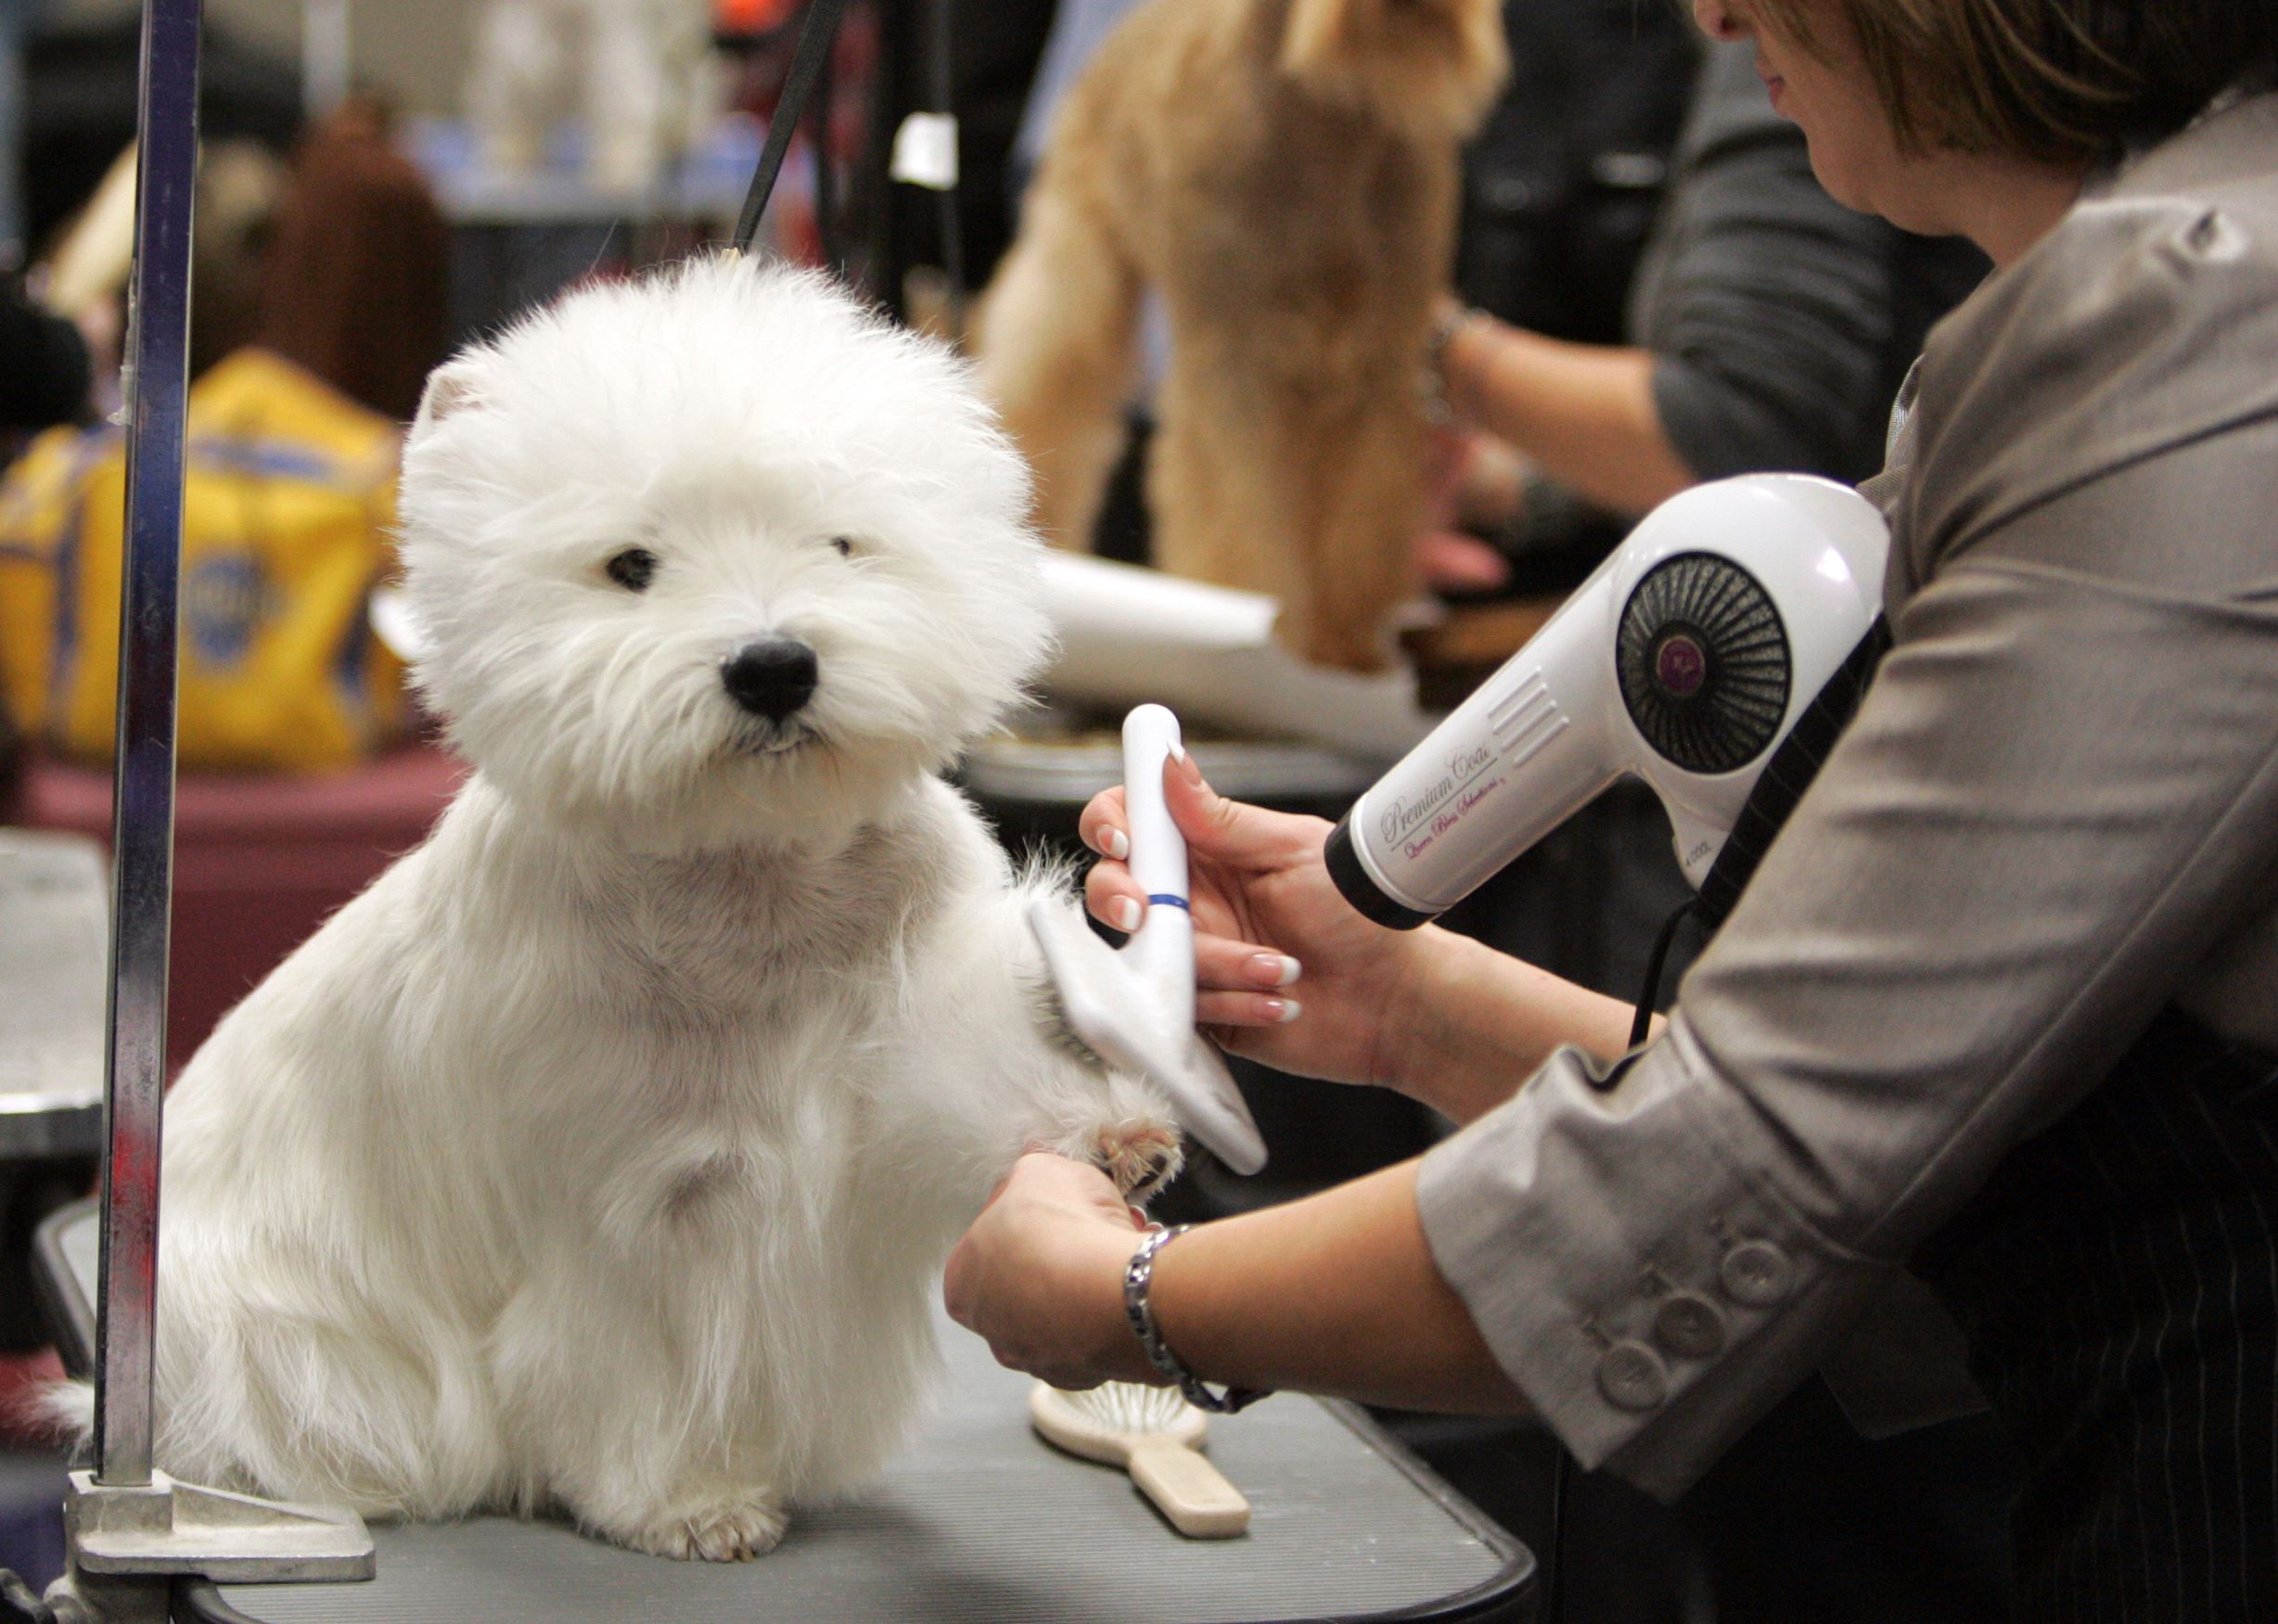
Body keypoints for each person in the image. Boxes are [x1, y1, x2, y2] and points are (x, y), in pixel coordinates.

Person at [945, 1, 2278, 1615]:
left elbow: (1758, 1166)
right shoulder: (2120, 317)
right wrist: (1409, 1007)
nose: (1710, 13)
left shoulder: (2190, 332)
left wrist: (1137, 1294)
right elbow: (1952, 1151)